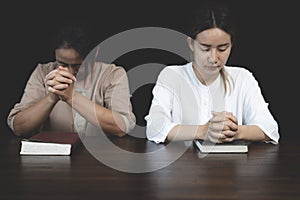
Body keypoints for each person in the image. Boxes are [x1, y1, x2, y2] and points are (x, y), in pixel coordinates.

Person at [145, 2, 280, 144]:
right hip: (181, 164)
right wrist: (203, 131)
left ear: (231, 45)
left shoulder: (242, 77)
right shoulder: (172, 76)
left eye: (222, 49)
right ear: (191, 44)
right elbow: (155, 128)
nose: (214, 59)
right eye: (205, 48)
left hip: (230, 165)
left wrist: (235, 131)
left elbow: (270, 129)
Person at [7, 24, 136, 138]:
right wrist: (53, 96)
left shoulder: (112, 74)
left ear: (95, 53)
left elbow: (121, 127)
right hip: (52, 159)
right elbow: (19, 128)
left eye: (78, 65)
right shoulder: (43, 72)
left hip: (100, 158)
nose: (69, 71)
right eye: (62, 64)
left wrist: (71, 96)